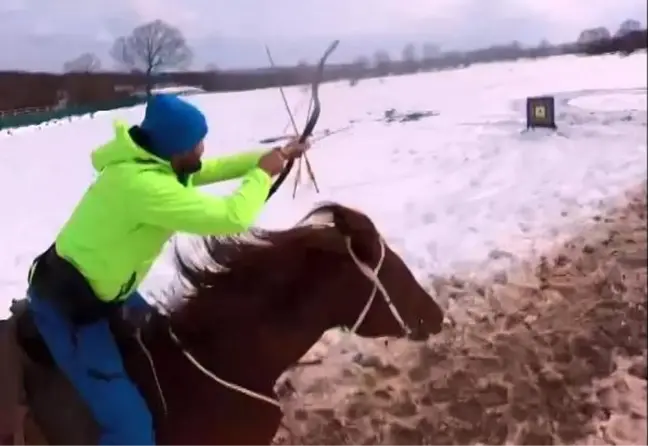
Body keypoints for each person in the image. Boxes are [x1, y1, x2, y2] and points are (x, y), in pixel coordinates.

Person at [26, 93, 309, 446]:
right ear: (175, 149)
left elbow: (209, 169)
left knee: (171, 352)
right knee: (132, 430)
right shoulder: (142, 186)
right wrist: (263, 174)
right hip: (74, 312)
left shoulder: (155, 164)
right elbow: (231, 217)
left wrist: (274, 156)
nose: (203, 149)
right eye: (196, 143)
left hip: (112, 292)